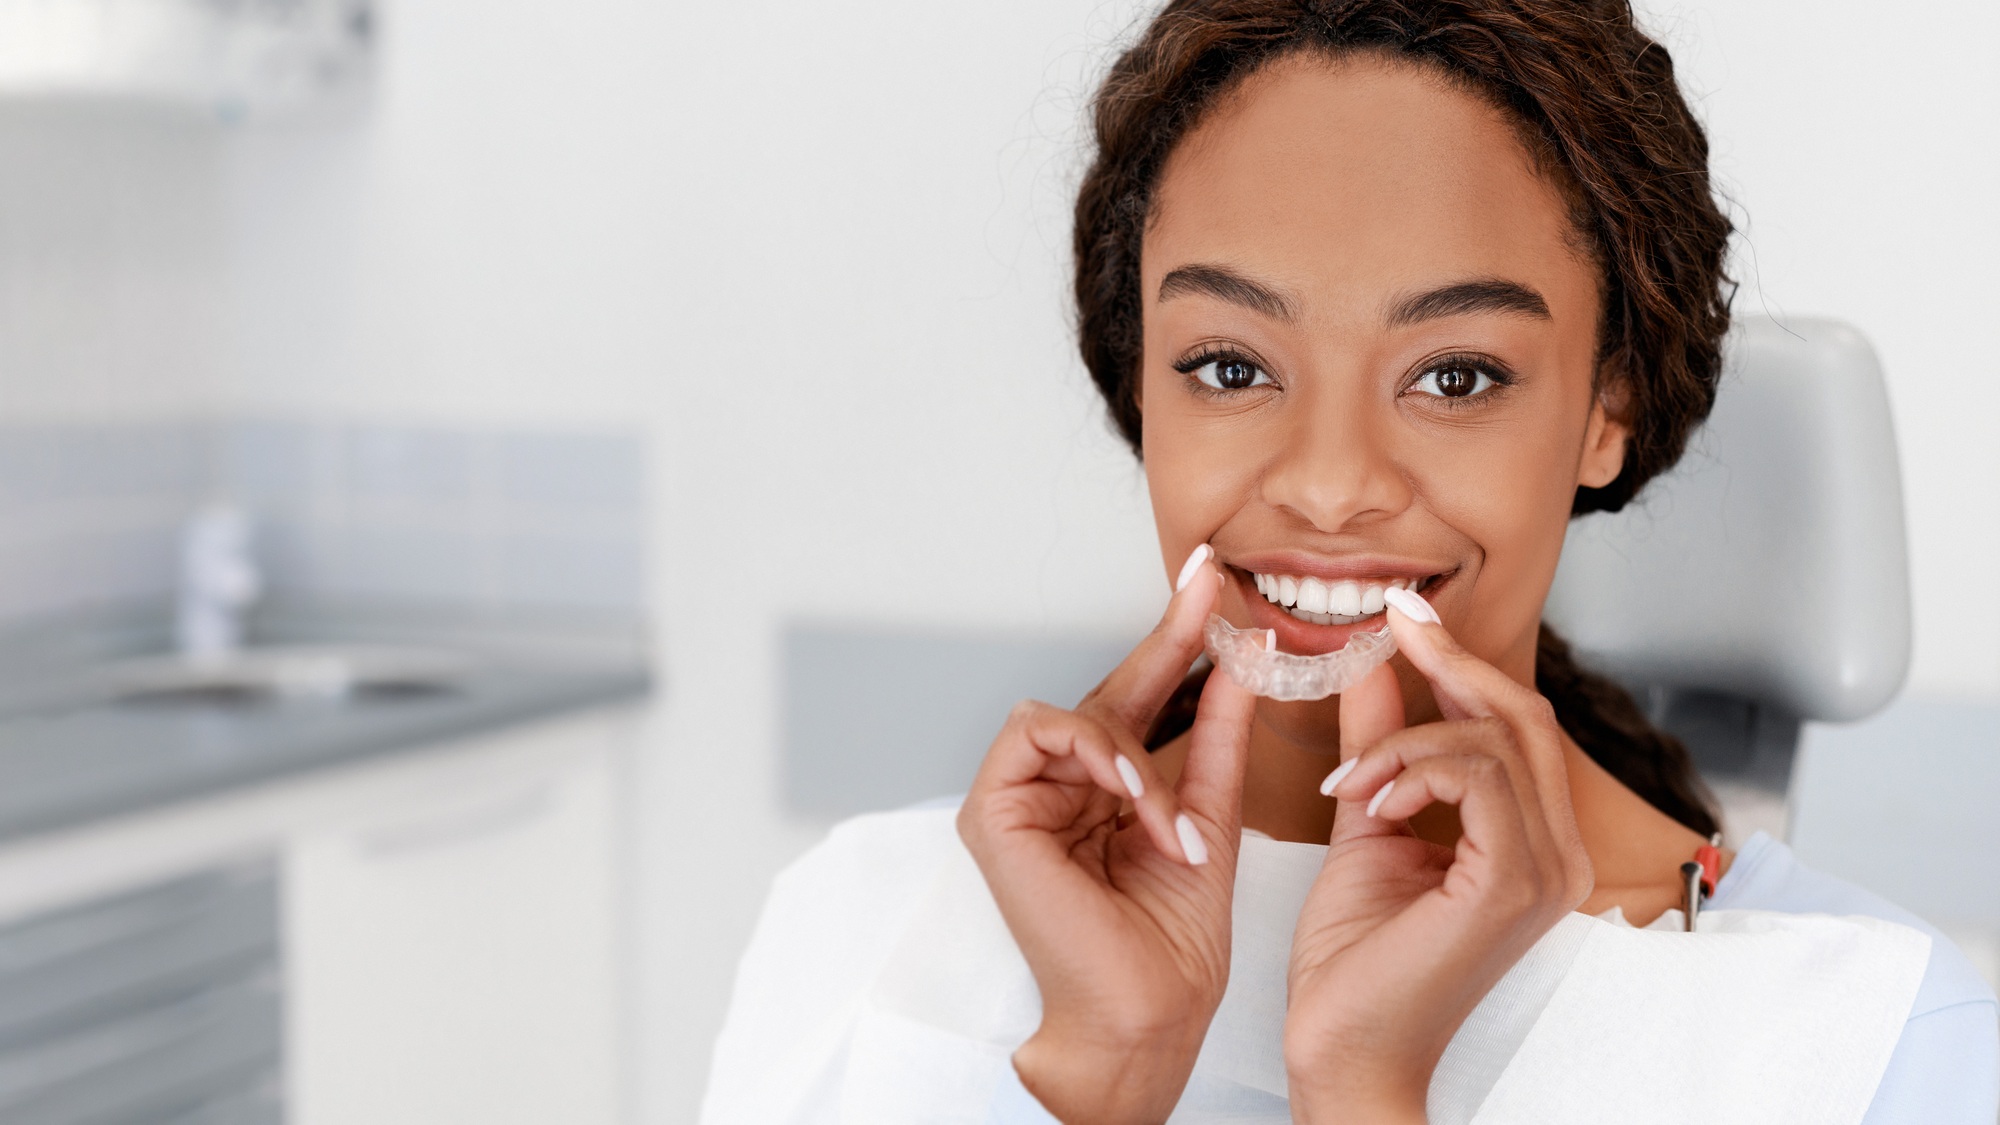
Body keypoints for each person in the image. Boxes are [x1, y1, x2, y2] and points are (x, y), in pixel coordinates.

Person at [703, 1, 2000, 1121]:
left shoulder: (1870, 1038)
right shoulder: (868, 931)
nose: (1328, 485)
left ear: (1608, 404)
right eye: (1230, 367)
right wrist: (1100, 1066)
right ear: (1141, 384)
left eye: (1455, 375)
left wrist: (1367, 1088)